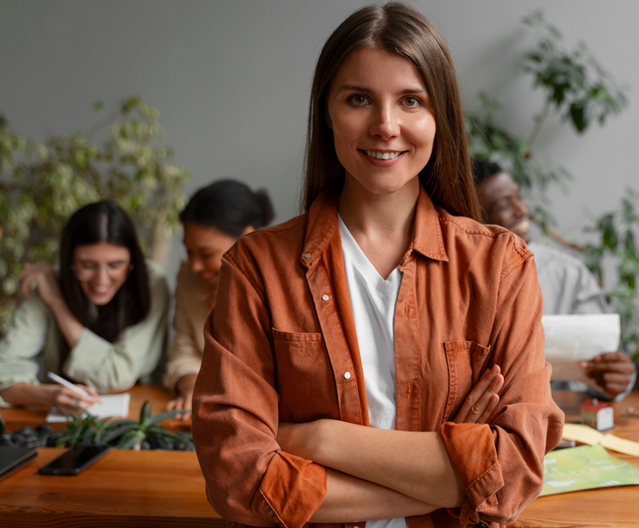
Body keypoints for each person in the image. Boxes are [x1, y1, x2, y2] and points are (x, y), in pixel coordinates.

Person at [192, 4, 564, 528]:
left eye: (411, 100)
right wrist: (453, 481)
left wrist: (316, 438)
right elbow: (237, 478)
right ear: (327, 112)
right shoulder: (256, 269)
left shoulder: (500, 265)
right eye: (359, 99)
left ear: (440, 117)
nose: (385, 126)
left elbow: (514, 473)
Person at [472, 158, 634, 398]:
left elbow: (610, 367)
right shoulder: (451, 282)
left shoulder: (568, 273)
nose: (522, 210)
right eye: (504, 205)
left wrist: (617, 379)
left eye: (519, 197)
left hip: (561, 419)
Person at [0, 201, 169, 414]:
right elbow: (5, 370)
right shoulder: (51, 281)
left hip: (140, 417)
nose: (101, 280)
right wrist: (51, 396)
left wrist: (58, 304)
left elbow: (114, 377)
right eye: (88, 266)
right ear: (69, 259)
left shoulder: (151, 282)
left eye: (115, 265)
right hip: (61, 422)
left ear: (132, 260)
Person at [165, 180, 275, 419]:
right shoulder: (189, 276)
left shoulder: (281, 282)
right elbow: (184, 349)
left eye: (206, 254)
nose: (194, 265)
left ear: (247, 238)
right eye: (189, 251)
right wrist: (190, 385)